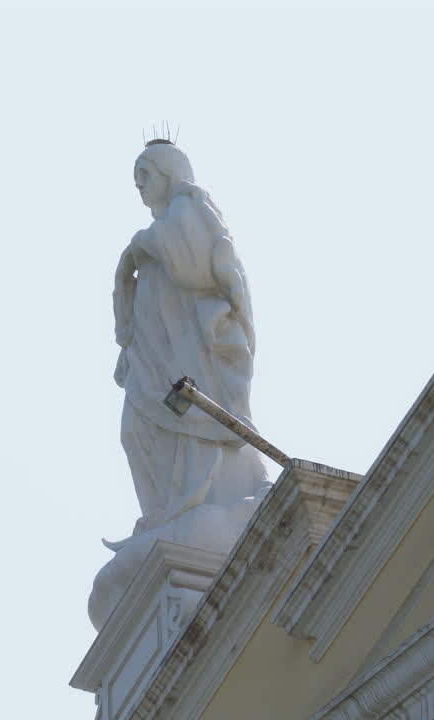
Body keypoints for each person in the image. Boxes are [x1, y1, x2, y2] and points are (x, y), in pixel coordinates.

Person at [113, 140, 265, 532]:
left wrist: (139, 247)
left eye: (144, 176)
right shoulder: (165, 225)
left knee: (185, 421)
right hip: (154, 356)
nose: (139, 187)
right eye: (136, 180)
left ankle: (192, 500)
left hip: (189, 355)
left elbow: (193, 265)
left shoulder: (189, 208)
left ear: (168, 173)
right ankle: (166, 507)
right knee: (134, 431)